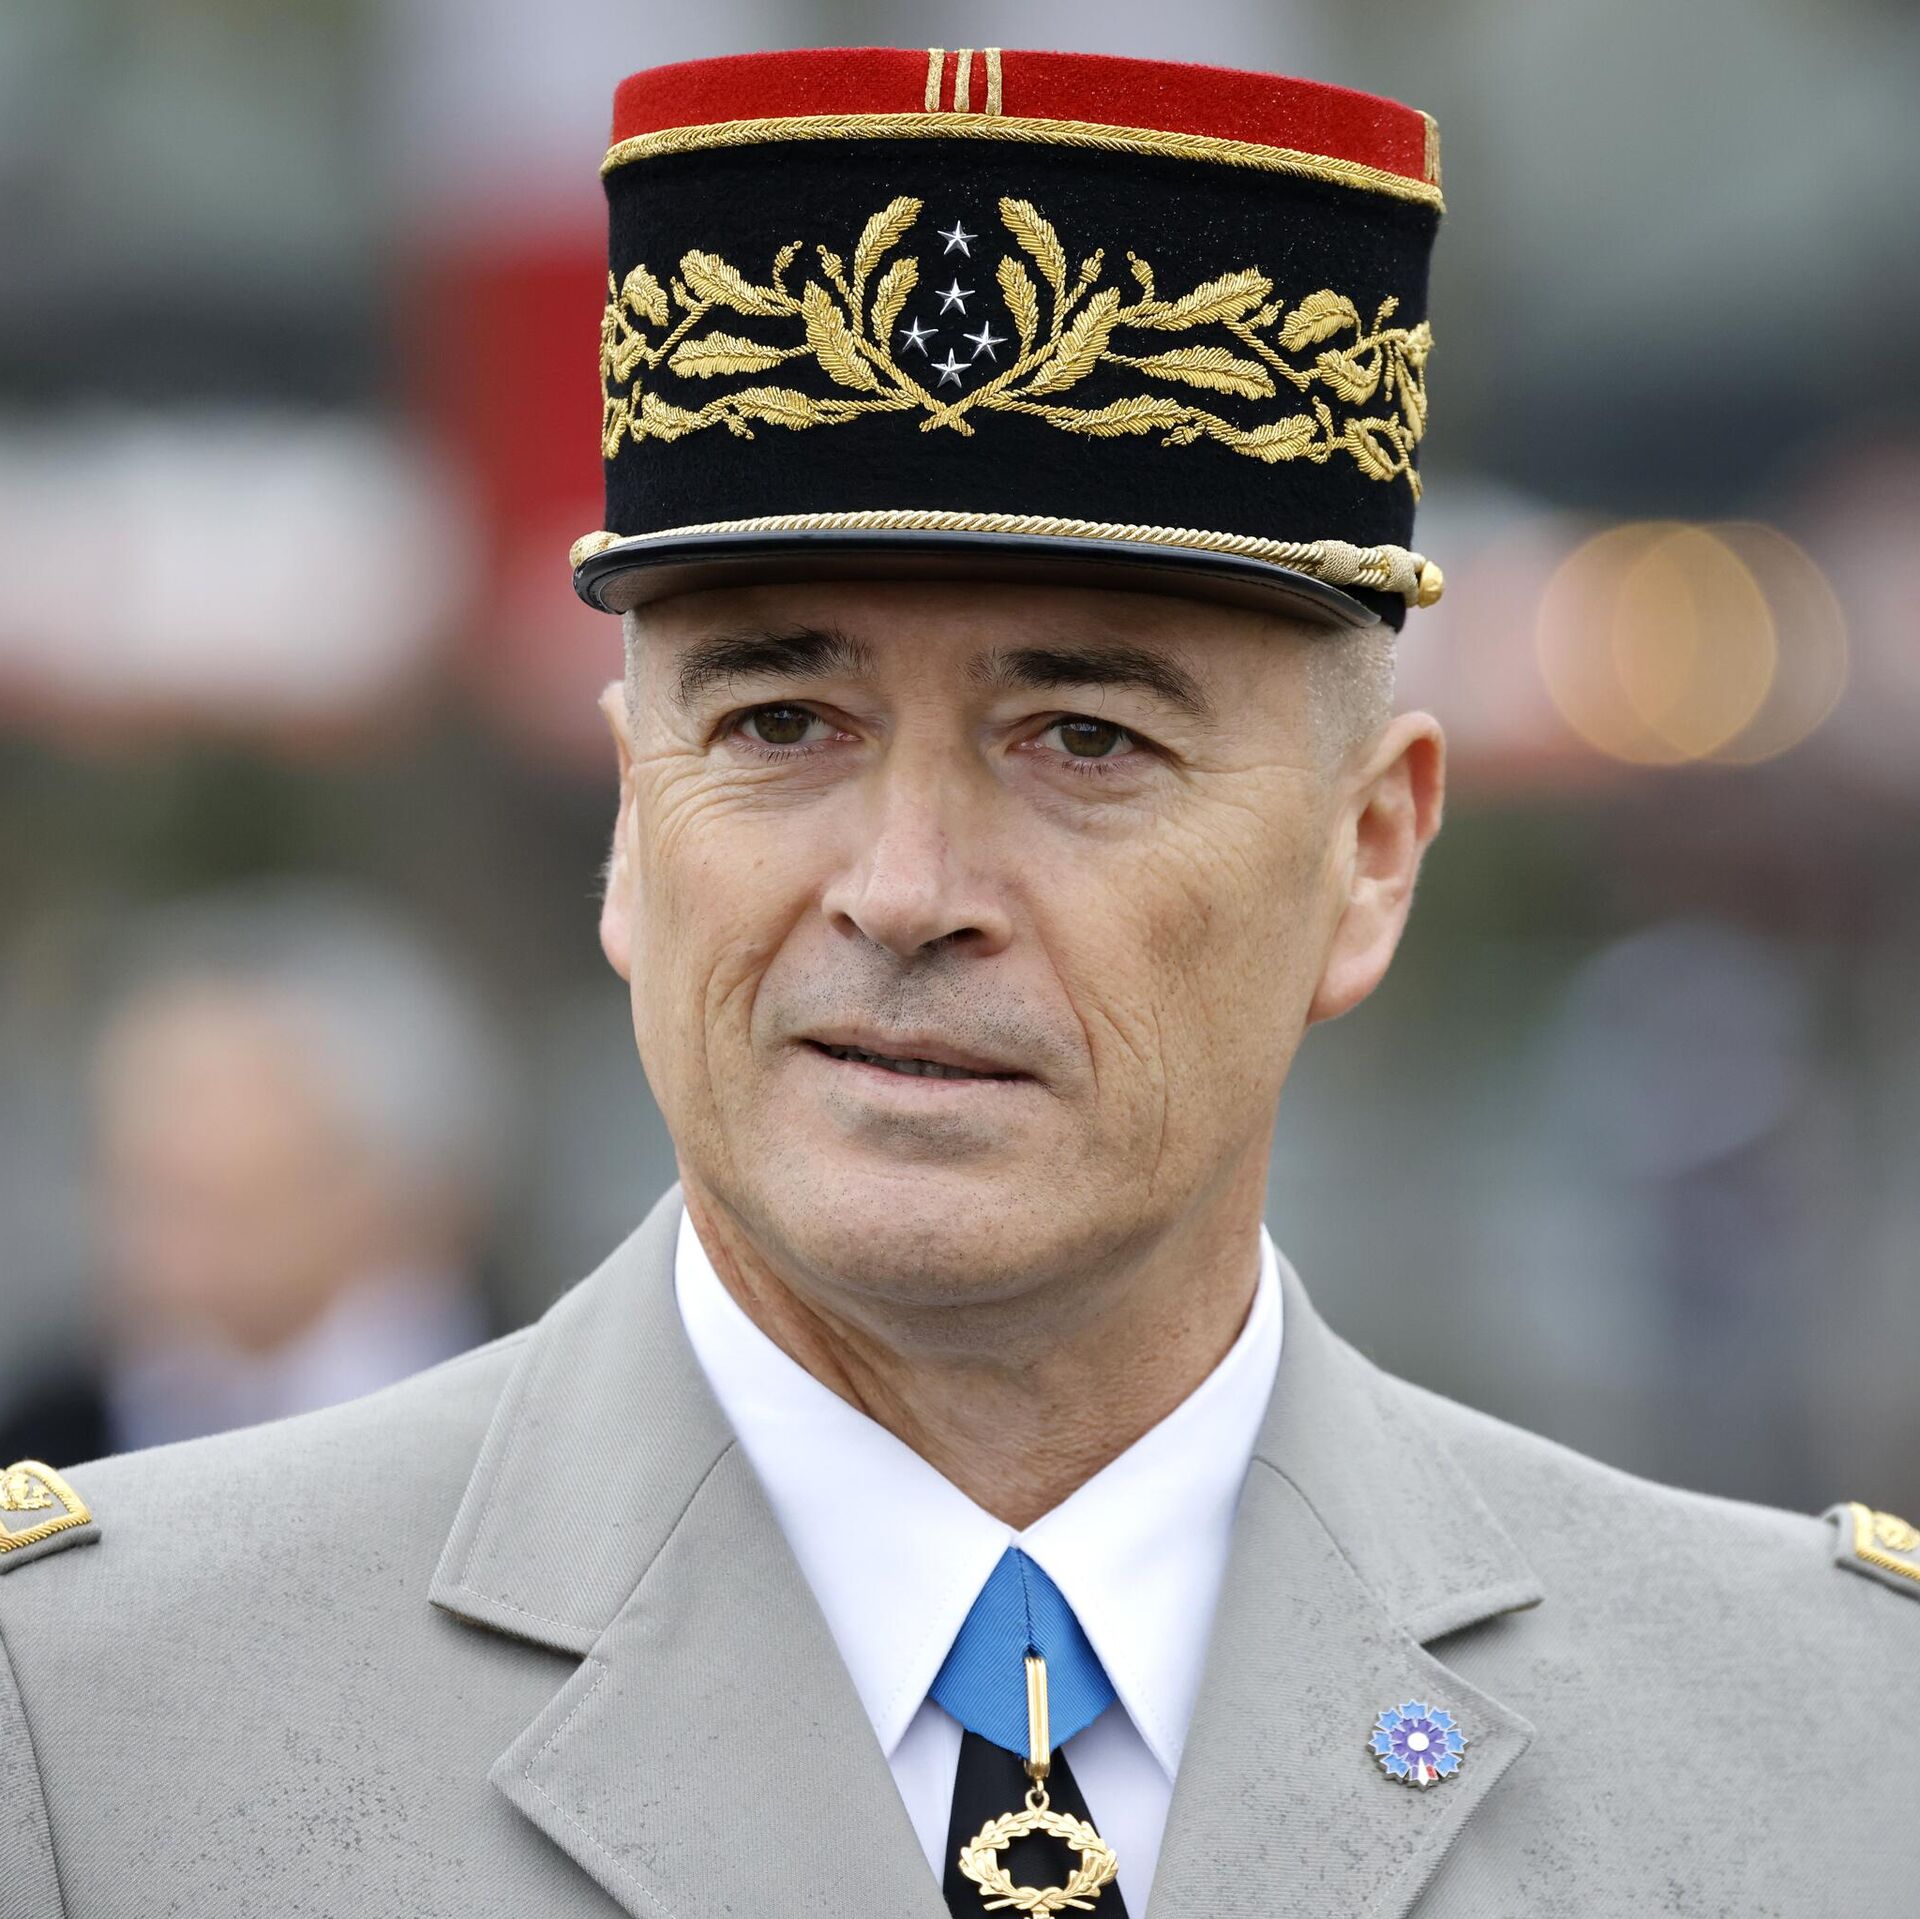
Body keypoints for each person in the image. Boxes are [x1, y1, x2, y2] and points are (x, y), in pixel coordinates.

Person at [1, 47, 1911, 1919]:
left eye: (1084, 737)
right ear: (631, 820)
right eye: (780, 720)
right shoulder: (99, 1726)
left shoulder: (1823, 1741)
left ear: (1370, 855)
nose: (905, 890)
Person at [0, 884, 502, 1469]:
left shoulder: (539, 1409)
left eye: (201, 1096)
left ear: (381, 1183)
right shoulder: (42, 1443)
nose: (163, 1139)